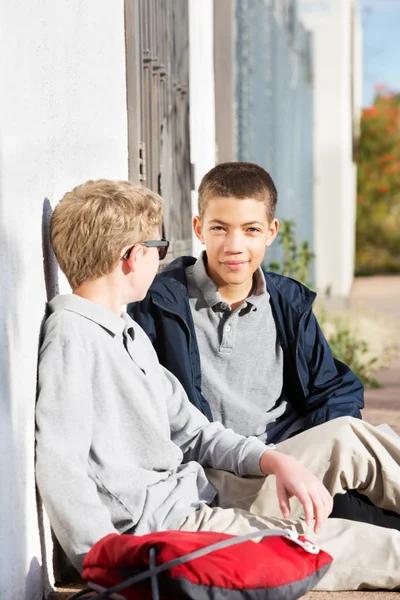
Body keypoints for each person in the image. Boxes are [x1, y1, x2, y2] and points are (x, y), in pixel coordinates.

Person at [36, 178, 400, 592]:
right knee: (374, 548)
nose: (162, 260)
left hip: (204, 490)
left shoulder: (125, 330)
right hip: (173, 529)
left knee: (349, 436)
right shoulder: (73, 337)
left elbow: (193, 430)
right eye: (160, 249)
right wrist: (101, 559)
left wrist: (274, 461)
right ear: (133, 257)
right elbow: (58, 461)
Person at [129, 161, 399, 530]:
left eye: (251, 230)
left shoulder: (286, 301)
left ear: (270, 232)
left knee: (370, 500)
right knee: (352, 448)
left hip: (295, 463)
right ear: (199, 229)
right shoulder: (160, 303)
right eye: (219, 229)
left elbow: (332, 388)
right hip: (221, 477)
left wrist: (322, 457)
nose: (234, 246)